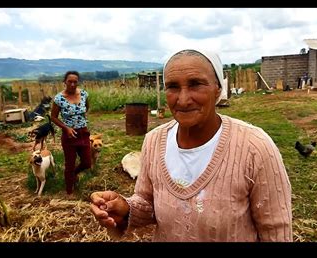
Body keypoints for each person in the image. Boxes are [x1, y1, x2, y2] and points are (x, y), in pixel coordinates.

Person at [89, 49, 292, 242]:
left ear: (218, 89)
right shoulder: (153, 141)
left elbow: (276, 229)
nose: (183, 100)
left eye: (196, 84)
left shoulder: (255, 147)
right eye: (173, 87)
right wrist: (124, 207)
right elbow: (147, 203)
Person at [51, 71, 91, 198]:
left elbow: (86, 108)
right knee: (70, 163)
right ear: (65, 82)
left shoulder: (84, 94)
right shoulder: (59, 99)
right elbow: (53, 117)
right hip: (69, 135)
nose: (73, 84)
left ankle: (73, 175)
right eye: (70, 81)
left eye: (75, 81)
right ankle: (69, 191)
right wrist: (66, 128)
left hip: (83, 133)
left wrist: (81, 121)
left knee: (87, 163)